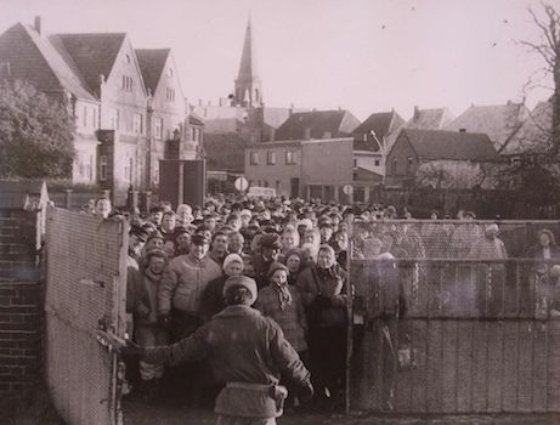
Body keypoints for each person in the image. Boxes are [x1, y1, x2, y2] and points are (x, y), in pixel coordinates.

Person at [120, 276, 314, 425]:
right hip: (262, 405)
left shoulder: (212, 328)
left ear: (226, 298)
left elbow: (174, 353)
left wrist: (139, 351)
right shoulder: (267, 327)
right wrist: (304, 381)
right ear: (252, 298)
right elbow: (289, 360)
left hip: (230, 404)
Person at [296, 244, 349, 406]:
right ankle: (318, 394)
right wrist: (314, 299)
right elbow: (299, 295)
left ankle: (333, 393)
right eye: (321, 257)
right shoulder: (306, 275)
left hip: (336, 324)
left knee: (335, 360)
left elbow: (350, 297)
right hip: (316, 324)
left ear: (333, 259)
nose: (324, 260)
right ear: (317, 258)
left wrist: (334, 300)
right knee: (317, 361)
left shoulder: (343, 275)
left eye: (328, 257)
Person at [130, 248, 170, 399]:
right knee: (147, 354)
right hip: (146, 323)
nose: (157, 266)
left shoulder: (167, 279)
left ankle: (157, 386)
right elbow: (136, 299)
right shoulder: (141, 278)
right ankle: (146, 385)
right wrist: (144, 312)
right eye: (154, 262)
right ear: (148, 263)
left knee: (161, 353)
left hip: (162, 324)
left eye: (160, 263)